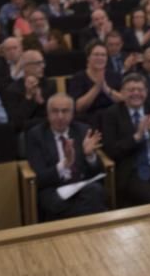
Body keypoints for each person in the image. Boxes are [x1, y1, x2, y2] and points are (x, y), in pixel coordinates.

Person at [25, 93, 107, 221]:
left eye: (65, 111)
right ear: (47, 113)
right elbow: (40, 178)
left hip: (81, 186)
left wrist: (90, 155)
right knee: (91, 202)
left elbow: (98, 171)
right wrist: (65, 164)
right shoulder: (36, 135)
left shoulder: (82, 130)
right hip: (53, 188)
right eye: (55, 111)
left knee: (95, 190)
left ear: (72, 113)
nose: (60, 116)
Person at [100, 74, 150, 206]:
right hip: (132, 170)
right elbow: (111, 151)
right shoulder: (111, 114)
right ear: (122, 92)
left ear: (146, 92)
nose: (136, 93)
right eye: (131, 90)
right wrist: (136, 137)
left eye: (140, 90)